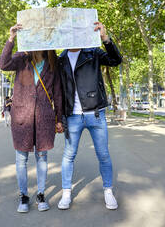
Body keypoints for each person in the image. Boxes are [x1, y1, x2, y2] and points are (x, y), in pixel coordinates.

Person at [57, 21, 122, 210]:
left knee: (103, 154)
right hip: (73, 116)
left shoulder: (92, 52)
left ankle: (108, 191)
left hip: (95, 113)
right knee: (68, 156)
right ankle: (66, 192)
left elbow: (116, 60)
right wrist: (60, 117)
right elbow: (58, 91)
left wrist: (105, 39)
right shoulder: (60, 59)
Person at [0, 24, 64, 213]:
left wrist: (59, 118)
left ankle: (41, 194)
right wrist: (11, 39)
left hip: (44, 118)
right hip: (22, 117)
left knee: (42, 157)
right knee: (21, 158)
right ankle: (24, 195)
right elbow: (3, 64)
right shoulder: (22, 58)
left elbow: (58, 93)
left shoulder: (54, 63)